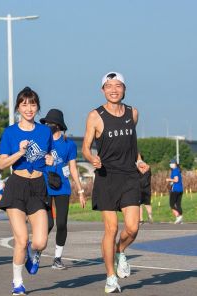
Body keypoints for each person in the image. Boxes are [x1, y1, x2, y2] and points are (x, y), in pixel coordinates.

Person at [82, 72, 149, 293]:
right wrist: (92, 158)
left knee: (132, 227)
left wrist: (139, 161)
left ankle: (120, 251)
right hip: (106, 178)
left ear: (124, 89)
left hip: (129, 176)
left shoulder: (133, 113)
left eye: (118, 86)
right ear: (102, 90)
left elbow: (132, 143)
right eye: (109, 86)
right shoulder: (95, 115)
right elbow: (86, 146)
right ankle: (111, 276)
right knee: (111, 228)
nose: (114, 89)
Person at [0, 86, 53, 295]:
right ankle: (17, 283)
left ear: (38, 107)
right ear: (18, 108)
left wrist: (50, 160)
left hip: (38, 187)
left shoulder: (44, 131)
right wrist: (19, 152)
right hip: (17, 186)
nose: (28, 108)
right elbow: (2, 164)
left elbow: (47, 158)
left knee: (40, 241)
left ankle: (35, 253)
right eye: (24, 104)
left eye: (32, 104)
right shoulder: (10, 132)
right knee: (21, 240)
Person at [40, 109, 86, 270]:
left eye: (50, 123)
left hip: (62, 187)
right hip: (44, 186)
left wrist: (80, 191)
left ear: (58, 125)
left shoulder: (69, 144)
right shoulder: (42, 141)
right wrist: (44, 160)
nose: (47, 126)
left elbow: (73, 168)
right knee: (48, 223)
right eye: (45, 123)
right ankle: (37, 252)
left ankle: (57, 258)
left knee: (61, 223)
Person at [166, 159, 183, 224]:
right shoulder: (178, 170)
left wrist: (168, 179)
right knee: (178, 204)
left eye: (171, 163)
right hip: (180, 189)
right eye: (170, 163)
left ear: (175, 164)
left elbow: (176, 180)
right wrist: (171, 182)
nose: (170, 164)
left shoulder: (175, 170)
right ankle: (180, 218)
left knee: (171, 204)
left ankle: (178, 216)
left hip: (175, 189)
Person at [138, 154, 153, 224]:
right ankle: (150, 216)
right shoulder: (148, 167)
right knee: (147, 203)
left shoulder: (137, 168)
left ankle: (141, 219)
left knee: (140, 204)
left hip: (139, 188)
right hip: (147, 188)